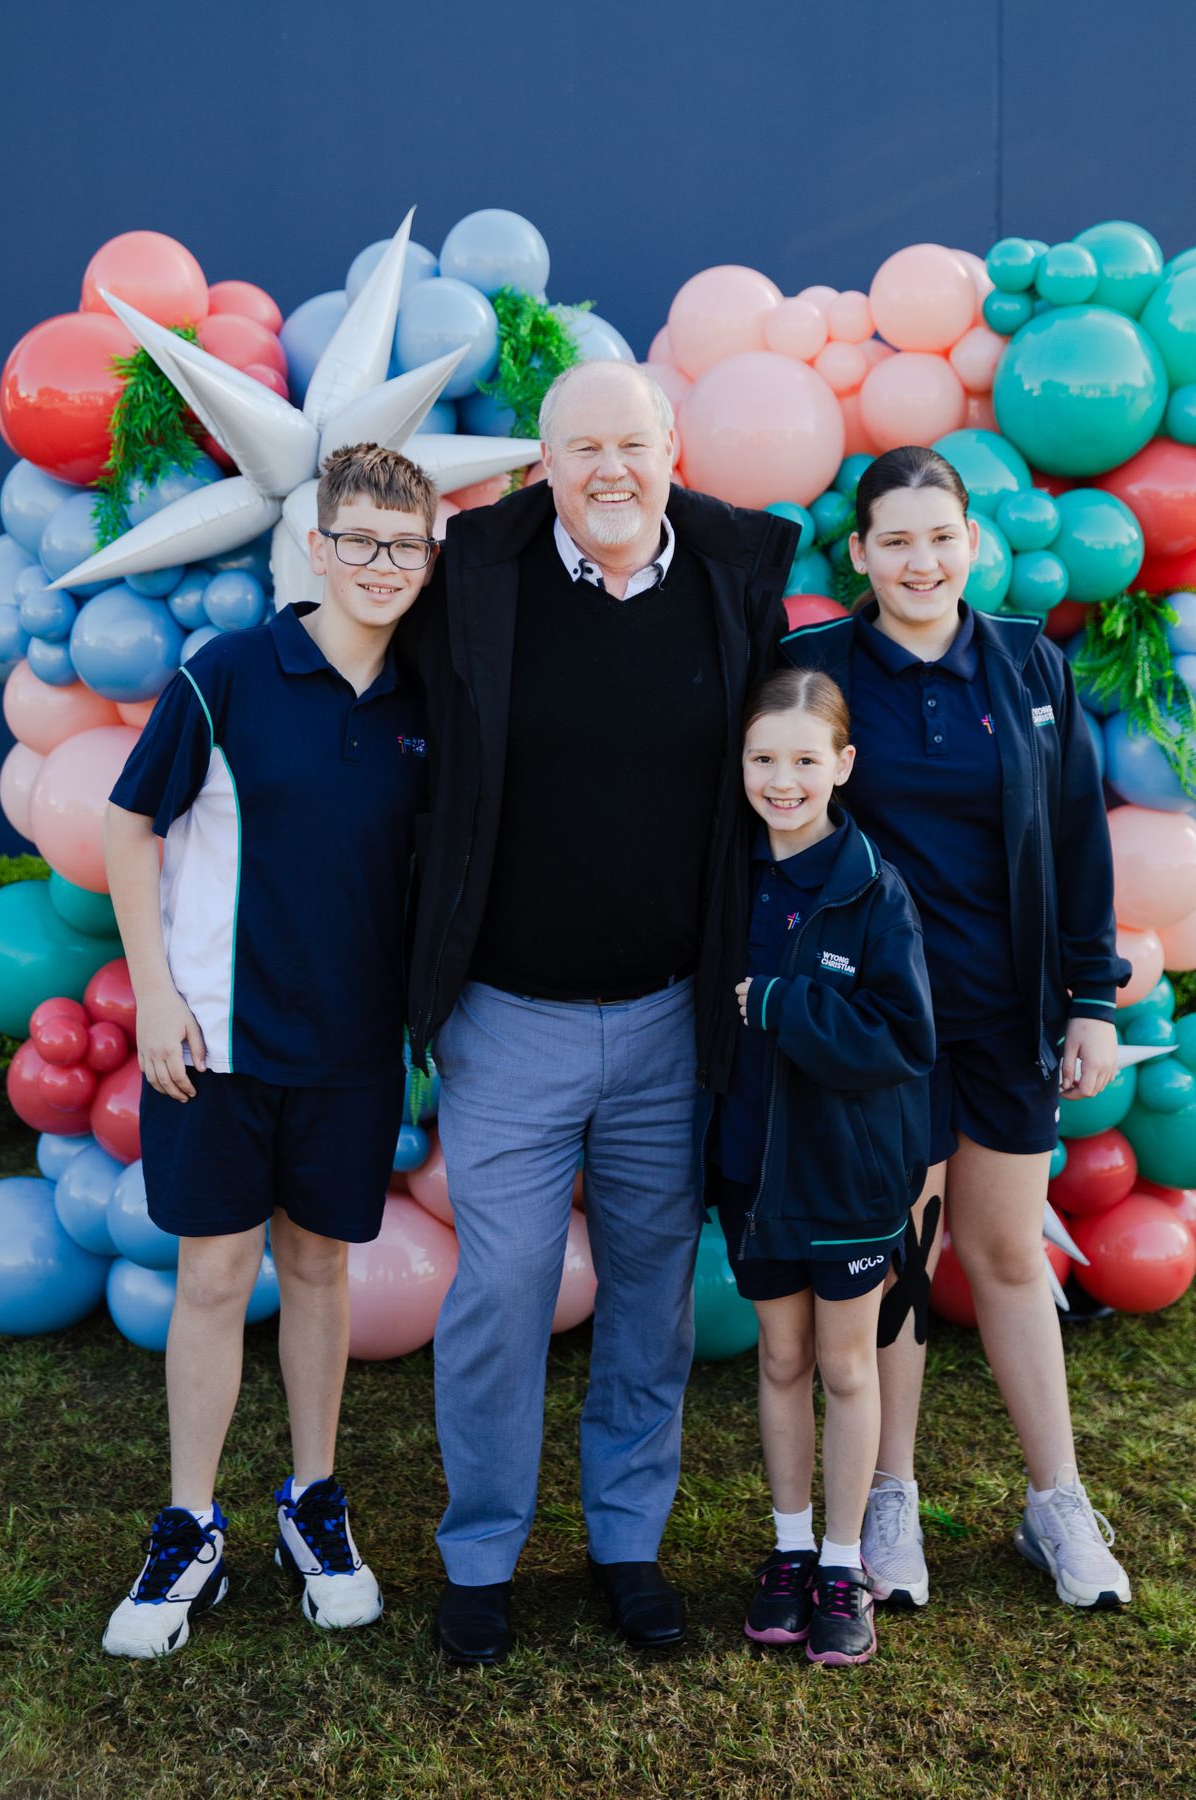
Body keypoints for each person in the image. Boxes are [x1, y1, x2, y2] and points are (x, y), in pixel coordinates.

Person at [400, 359, 799, 1664]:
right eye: (582, 449)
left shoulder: (736, 580)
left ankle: (628, 1541)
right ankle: (481, 1554)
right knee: (503, 1290)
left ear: (672, 445)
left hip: (672, 1019)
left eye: (631, 443)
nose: (610, 471)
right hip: (509, 1017)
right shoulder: (478, 578)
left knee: (650, 1296)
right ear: (544, 464)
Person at [101, 443, 438, 1657]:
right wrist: (154, 996)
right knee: (210, 1275)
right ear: (317, 546)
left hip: (352, 1051)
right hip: (217, 1044)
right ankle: (190, 1524)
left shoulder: (430, 699)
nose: (382, 564)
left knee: (320, 1268)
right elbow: (128, 824)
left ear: (429, 559)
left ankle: (313, 1501)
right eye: (361, 540)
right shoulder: (231, 672)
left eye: (406, 546)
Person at [782, 444, 1132, 1611]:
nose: (921, 561)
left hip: (1005, 1018)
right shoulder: (821, 670)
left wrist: (1091, 999)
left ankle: (1057, 1503)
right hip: (884, 1032)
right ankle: (890, 1496)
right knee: (901, 1263)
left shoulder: (1031, 665)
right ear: (860, 554)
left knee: (1009, 1254)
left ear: (972, 542)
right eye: (896, 541)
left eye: (941, 537)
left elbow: (1078, 839)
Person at [706, 666, 933, 1664]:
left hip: (845, 1177)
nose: (782, 780)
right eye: (763, 758)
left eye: (804, 760)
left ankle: (843, 1563)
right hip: (753, 1170)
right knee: (781, 1359)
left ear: (842, 764)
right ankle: (791, 1547)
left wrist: (785, 1006)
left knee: (845, 1365)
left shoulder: (875, 889)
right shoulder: (728, 874)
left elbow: (903, 1039)